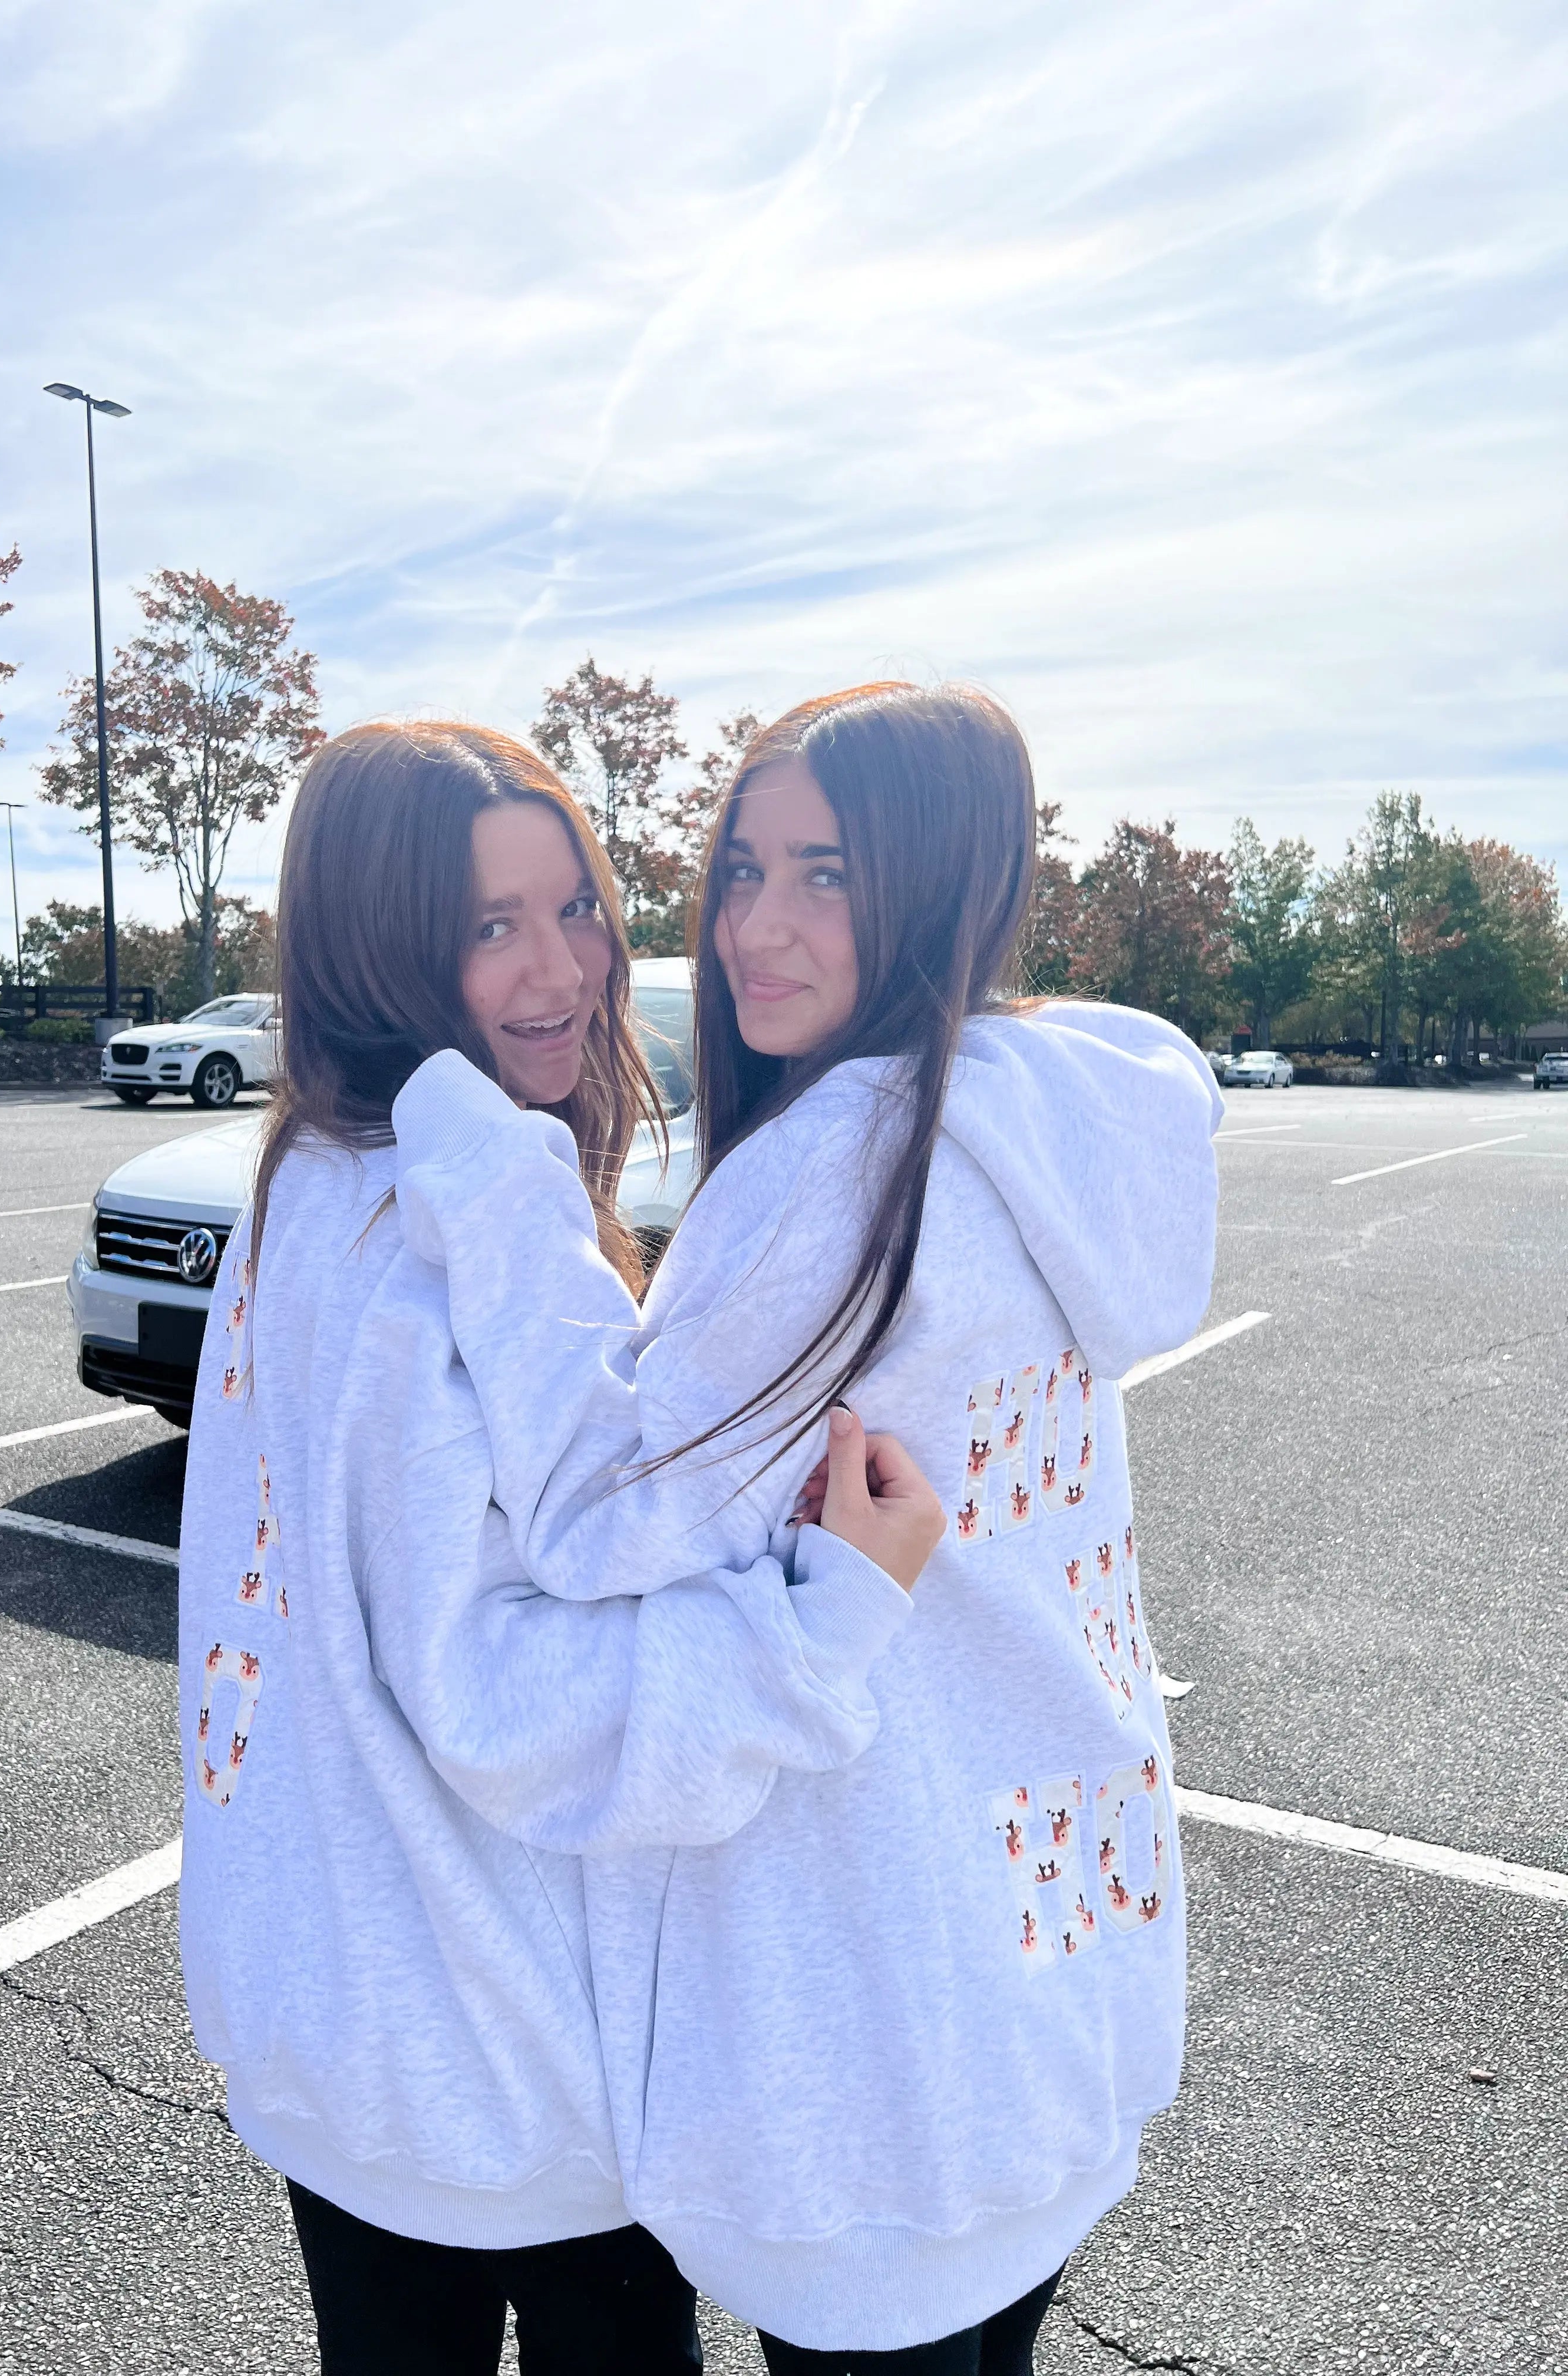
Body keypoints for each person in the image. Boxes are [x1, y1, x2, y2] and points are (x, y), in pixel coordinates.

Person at [387, 681, 1226, 2370]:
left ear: (940, 883)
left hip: (878, 2031)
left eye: (828, 876)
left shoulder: (842, 1168)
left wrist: (490, 1176)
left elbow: (599, 1517)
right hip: (1054, 1962)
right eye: (744, 869)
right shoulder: (1050, 1123)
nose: (756, 928)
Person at [175, 720, 945, 2376]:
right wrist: (826, 1622)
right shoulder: (437, 1238)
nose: (564, 972)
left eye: (575, 906)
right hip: (498, 2052)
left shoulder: (307, 1189)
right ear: (379, 952)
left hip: (345, 2021)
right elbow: (500, 1696)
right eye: (488, 927)